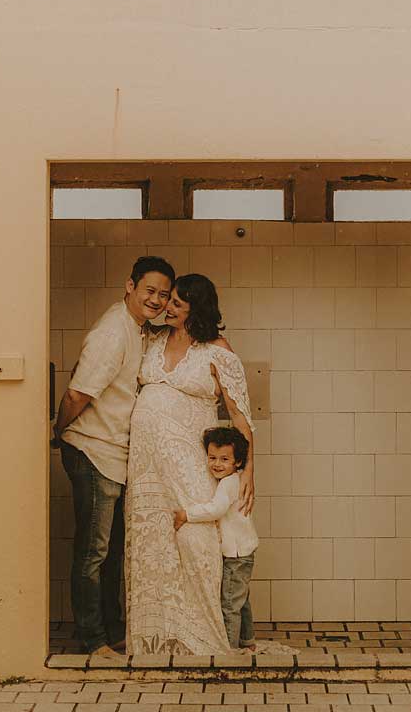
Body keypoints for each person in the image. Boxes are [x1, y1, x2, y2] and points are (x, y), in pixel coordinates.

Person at [125, 273, 255, 656]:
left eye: (178, 303)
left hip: (191, 464)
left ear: (196, 309)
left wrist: (248, 471)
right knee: (154, 544)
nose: (168, 307)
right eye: (170, 301)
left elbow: (241, 417)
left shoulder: (217, 349)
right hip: (148, 468)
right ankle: (160, 637)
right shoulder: (154, 339)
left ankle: (206, 632)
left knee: (196, 540)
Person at [54, 255, 175, 657]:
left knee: (109, 555)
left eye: (163, 294)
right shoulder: (113, 332)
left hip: (113, 455)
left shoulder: (135, 326)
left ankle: (108, 632)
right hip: (93, 451)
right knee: (94, 553)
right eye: (149, 291)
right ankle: (93, 640)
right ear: (130, 286)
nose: (156, 300)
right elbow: (77, 393)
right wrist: (60, 431)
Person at [173, 426, 258, 649]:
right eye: (212, 458)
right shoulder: (235, 479)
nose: (217, 464)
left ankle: (227, 649)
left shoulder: (229, 484)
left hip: (236, 554)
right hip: (245, 551)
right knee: (241, 599)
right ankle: (247, 641)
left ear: (237, 462)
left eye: (224, 459)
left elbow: (216, 509)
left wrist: (186, 514)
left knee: (230, 603)